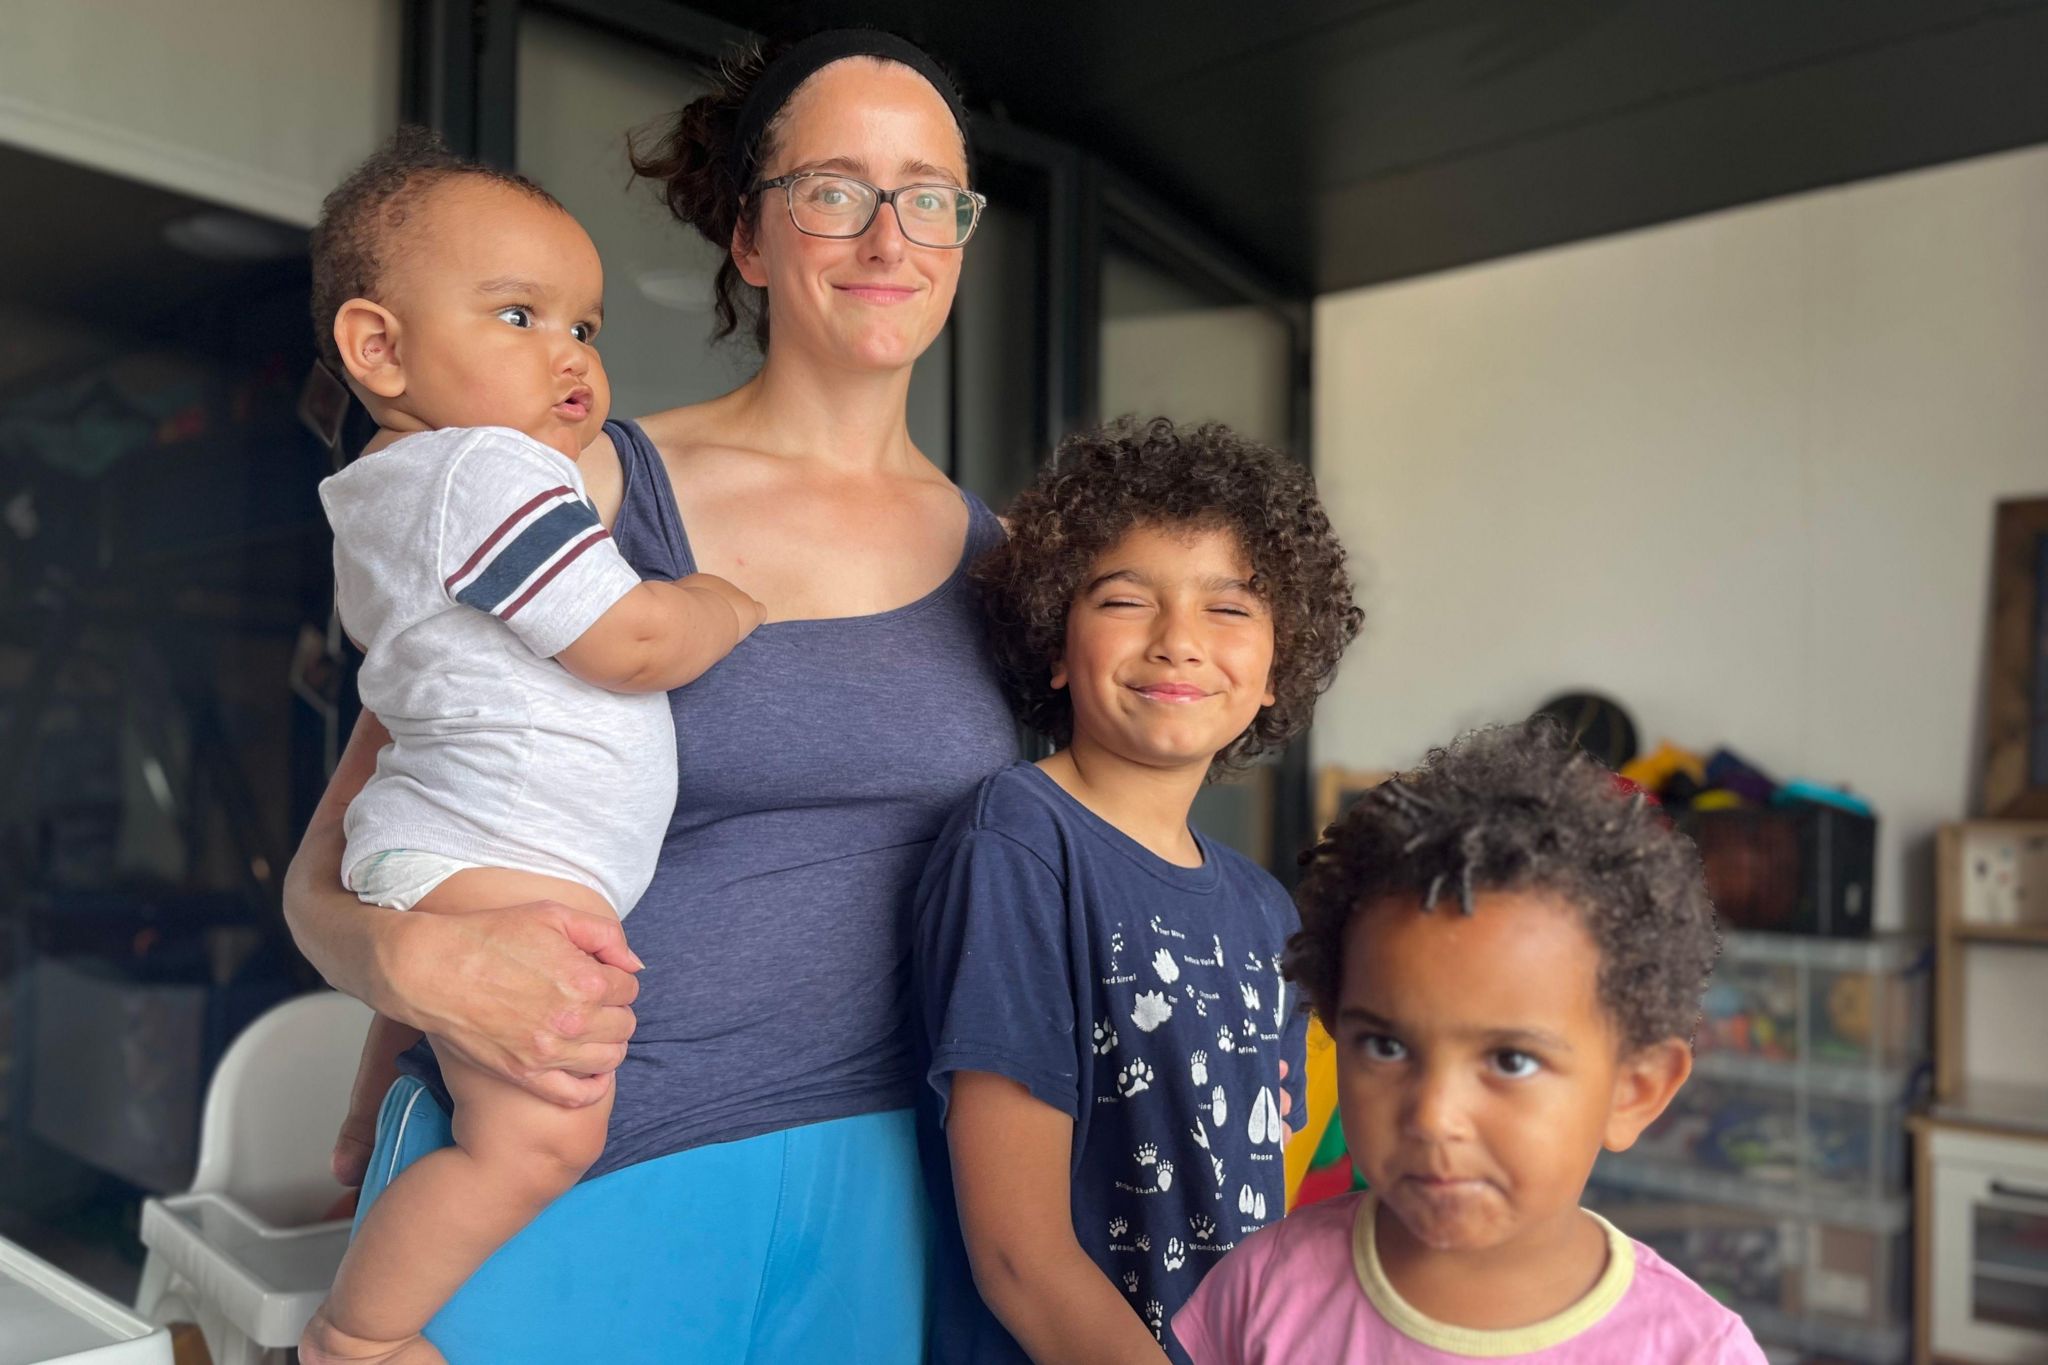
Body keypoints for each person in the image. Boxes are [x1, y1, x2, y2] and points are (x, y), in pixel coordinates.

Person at [282, 29, 1017, 1362]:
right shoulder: (571, 486)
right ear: (749, 234)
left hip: (887, 1190)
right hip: (586, 1156)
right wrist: (407, 970)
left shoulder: (1012, 564)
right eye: (834, 189)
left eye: (930, 195)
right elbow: (341, 858)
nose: (887, 235)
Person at [297, 129, 764, 1365]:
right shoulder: (484, 473)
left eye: (587, 327)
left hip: (464, 845)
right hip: (495, 849)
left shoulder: (410, 484)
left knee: (487, 1089)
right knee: (542, 1137)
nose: (569, 355)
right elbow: (624, 641)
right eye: (517, 316)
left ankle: (361, 1173)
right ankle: (358, 1334)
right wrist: (721, 603)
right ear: (377, 346)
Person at [915, 418, 1363, 1364]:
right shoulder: (1019, 841)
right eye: (1126, 600)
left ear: (1278, 664)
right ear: (1051, 635)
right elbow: (1017, 1250)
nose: (1178, 642)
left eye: (1230, 609)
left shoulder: (1265, 911)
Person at [1172, 722, 1769, 1363]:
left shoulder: (1696, 1351)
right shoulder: (1262, 1289)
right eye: (1386, 1047)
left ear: (1636, 1089)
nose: (1433, 1115)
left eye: (1509, 1060)